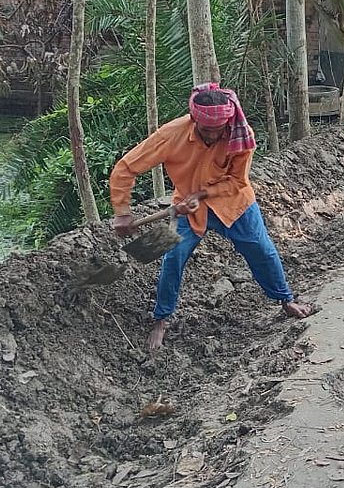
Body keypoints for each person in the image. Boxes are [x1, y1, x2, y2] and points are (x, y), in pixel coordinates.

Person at [110, 84, 312, 350]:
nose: (213, 135)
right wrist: (122, 212)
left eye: (219, 130)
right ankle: (161, 319)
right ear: (194, 120)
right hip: (189, 208)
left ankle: (286, 300)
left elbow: (237, 181)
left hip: (235, 204)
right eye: (207, 130)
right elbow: (125, 168)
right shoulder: (172, 134)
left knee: (262, 250)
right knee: (173, 258)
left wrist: (202, 194)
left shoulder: (241, 135)